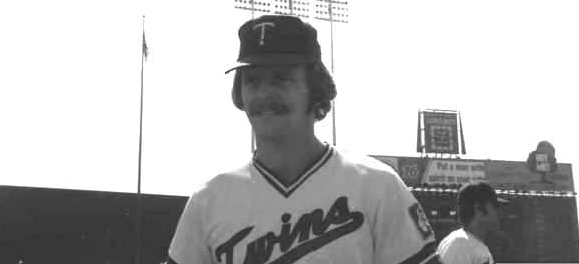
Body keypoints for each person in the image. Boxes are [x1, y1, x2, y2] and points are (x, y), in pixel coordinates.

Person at [167, 15, 440, 264]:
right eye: (252, 81)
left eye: (281, 79)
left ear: (315, 89)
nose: (264, 94)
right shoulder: (209, 200)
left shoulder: (377, 185)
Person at [437, 182, 509, 264]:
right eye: (495, 207)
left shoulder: (469, 243)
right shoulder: (461, 244)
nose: (499, 214)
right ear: (478, 208)